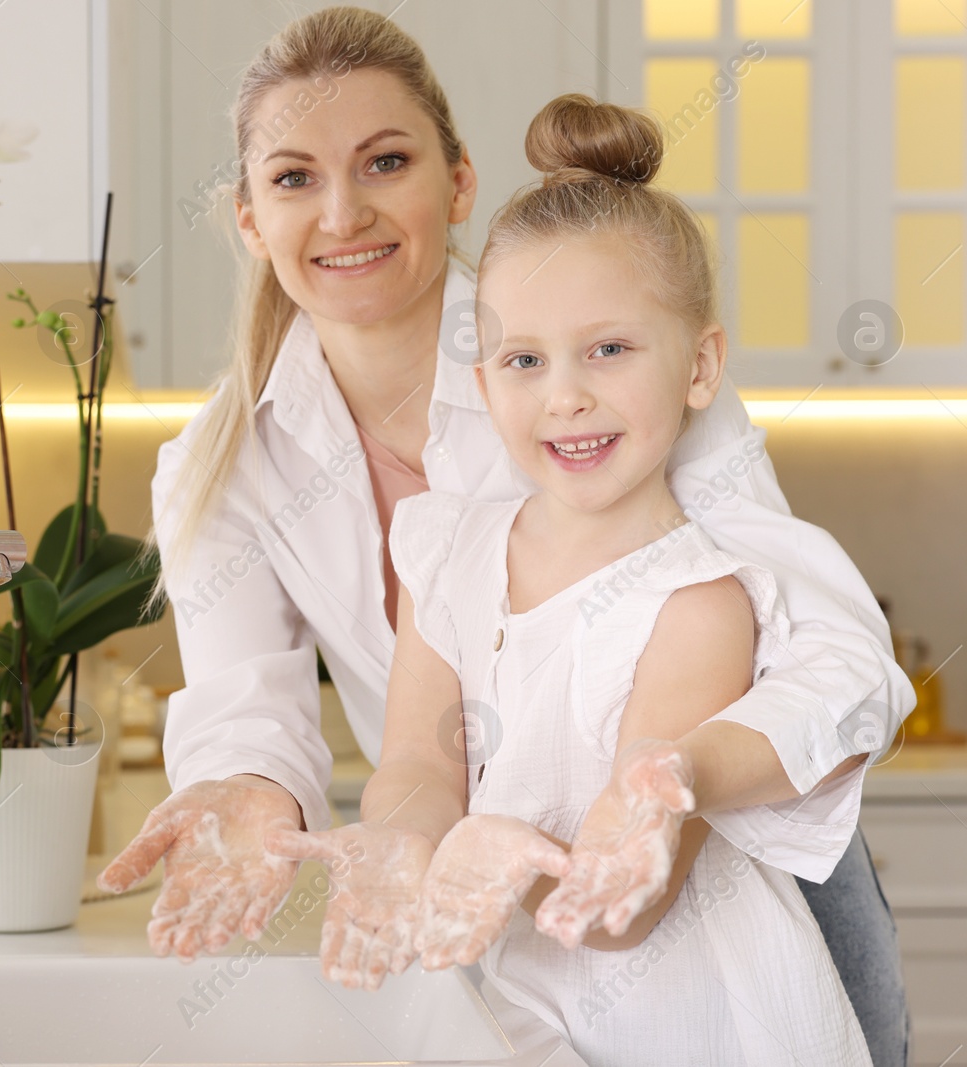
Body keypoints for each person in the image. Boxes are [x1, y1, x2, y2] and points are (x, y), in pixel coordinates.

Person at [96, 8, 911, 1064]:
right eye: (294, 177)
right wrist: (256, 797)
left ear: (457, 182)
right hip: (496, 892)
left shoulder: (611, 343)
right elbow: (257, 710)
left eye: (385, 161)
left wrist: (666, 787)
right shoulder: (219, 463)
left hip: (725, 853)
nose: (343, 211)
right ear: (250, 217)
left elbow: (819, 647)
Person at [269, 91, 874, 1065]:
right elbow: (421, 766)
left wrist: (506, 859)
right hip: (531, 1006)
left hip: (704, 1026)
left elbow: (626, 910)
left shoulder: (699, 600)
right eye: (522, 358)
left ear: (700, 365)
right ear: (482, 381)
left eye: (609, 348)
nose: (564, 395)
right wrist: (407, 843)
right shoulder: (449, 555)